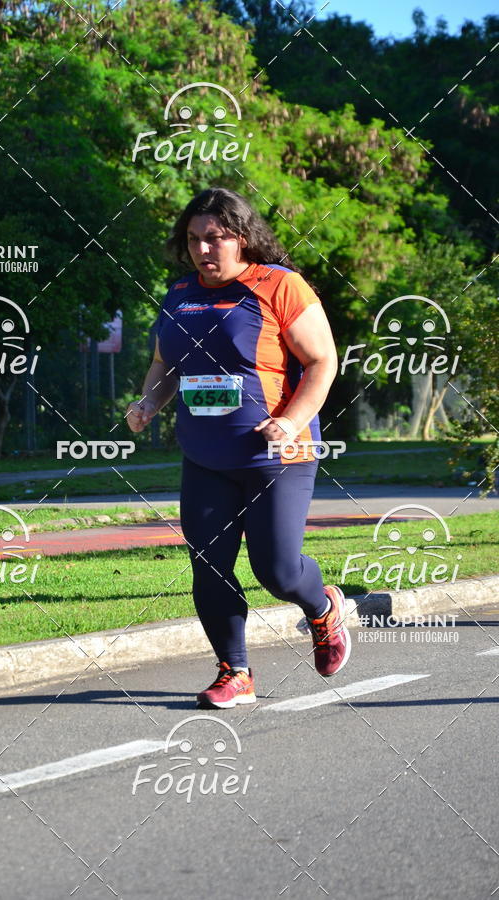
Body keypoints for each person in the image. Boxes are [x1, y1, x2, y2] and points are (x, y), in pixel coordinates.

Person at [126, 187, 350, 709]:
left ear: (243, 237)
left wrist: (292, 422)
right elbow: (166, 365)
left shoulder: (281, 286)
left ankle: (323, 607)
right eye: (193, 240)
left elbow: (322, 362)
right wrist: (147, 404)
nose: (203, 250)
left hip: (278, 457)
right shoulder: (180, 294)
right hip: (206, 456)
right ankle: (235, 672)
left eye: (215, 239)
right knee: (208, 562)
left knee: (277, 571)